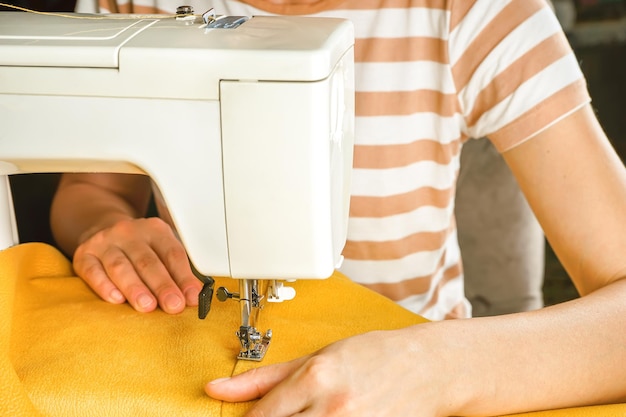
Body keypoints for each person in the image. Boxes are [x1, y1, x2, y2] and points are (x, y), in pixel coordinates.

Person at [51, 0, 626, 415]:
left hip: (413, 379)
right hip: (183, 358)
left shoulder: (474, 12)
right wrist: (106, 226)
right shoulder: (138, 8)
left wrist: (435, 368)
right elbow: (90, 190)